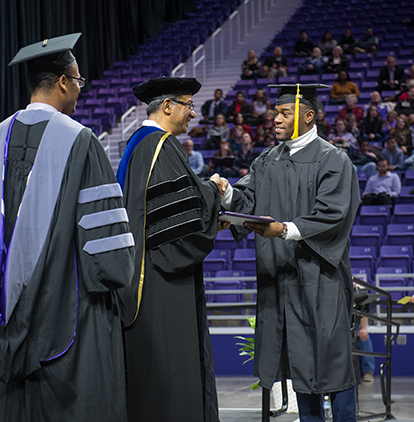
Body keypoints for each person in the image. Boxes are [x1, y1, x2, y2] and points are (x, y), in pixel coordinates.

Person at [0, 33, 135, 421]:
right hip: (69, 318)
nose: (79, 90)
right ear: (62, 82)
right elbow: (109, 257)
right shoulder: (81, 142)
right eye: (78, 81)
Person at [213, 83, 360, 422]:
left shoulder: (332, 159)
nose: (274, 118)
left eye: (283, 113)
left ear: (308, 116)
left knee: (331, 364)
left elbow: (334, 214)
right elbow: (248, 201)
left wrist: (283, 229)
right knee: (299, 364)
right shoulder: (267, 160)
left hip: (319, 280)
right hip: (280, 278)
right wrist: (227, 196)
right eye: (275, 113)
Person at [116, 77, 222, 422]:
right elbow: (177, 222)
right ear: (167, 106)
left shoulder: (136, 144)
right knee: (170, 381)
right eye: (188, 105)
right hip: (159, 280)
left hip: (139, 273)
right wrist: (214, 191)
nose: (193, 113)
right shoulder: (159, 145)